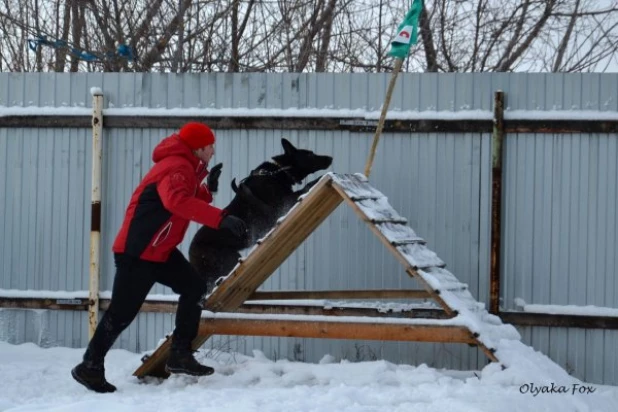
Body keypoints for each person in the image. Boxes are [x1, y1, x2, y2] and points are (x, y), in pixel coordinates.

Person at [71, 122, 247, 393]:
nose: (213, 151)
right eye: (211, 145)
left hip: (159, 251)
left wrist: (207, 189)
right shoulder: (177, 165)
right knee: (121, 313)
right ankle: (90, 366)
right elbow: (175, 201)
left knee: (194, 287)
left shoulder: (183, 167)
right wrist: (221, 219)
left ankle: (180, 353)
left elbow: (183, 194)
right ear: (199, 147)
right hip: (139, 252)